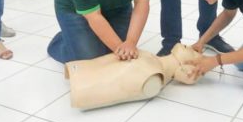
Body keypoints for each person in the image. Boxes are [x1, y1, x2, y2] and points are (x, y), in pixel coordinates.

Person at [66, 43, 202, 110]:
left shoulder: (153, 79)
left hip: (83, 86)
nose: (193, 48)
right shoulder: (151, 59)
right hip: (82, 69)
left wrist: (81, 89)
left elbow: (110, 85)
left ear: (186, 70)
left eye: (196, 54)